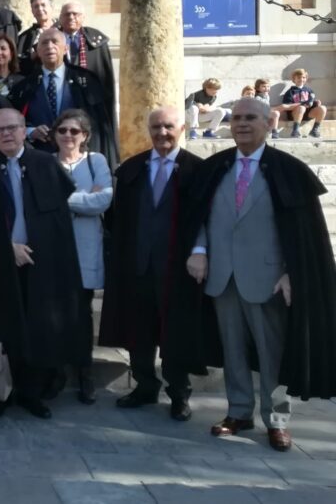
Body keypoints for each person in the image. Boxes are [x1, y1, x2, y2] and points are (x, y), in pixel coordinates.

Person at [185, 97, 336, 451]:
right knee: (232, 349)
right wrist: (199, 250)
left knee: (272, 355)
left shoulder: (288, 171)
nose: (241, 124)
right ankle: (239, 412)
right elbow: (198, 216)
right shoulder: (215, 168)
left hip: (268, 280)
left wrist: (292, 273)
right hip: (222, 277)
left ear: (269, 123)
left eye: (250, 118)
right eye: (237, 117)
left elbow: (303, 234)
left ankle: (277, 420)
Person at [0, 109, 84, 420]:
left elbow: (57, 218)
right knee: (3, 328)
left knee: (39, 327)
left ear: (23, 130)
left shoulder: (46, 164)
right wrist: (9, 248)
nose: (6, 134)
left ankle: (33, 393)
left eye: (12, 128)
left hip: (42, 262)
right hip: (0, 263)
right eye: (0, 130)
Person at [100, 106, 207, 422]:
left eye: (169, 127)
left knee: (175, 331)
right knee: (138, 330)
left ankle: (179, 393)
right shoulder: (131, 169)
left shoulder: (197, 170)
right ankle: (145, 385)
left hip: (177, 267)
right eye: (156, 127)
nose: (162, 133)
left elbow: (205, 218)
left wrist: (199, 251)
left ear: (182, 129)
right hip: (136, 264)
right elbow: (117, 218)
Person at [53, 109, 112, 405]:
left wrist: (63, 199)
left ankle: (85, 373)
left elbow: (104, 200)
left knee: (82, 315)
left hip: (87, 247)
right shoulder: (47, 163)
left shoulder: (95, 161)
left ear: (85, 136)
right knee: (55, 314)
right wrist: (85, 198)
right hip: (54, 249)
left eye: (74, 131)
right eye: (62, 130)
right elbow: (42, 201)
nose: (68, 135)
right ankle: (57, 372)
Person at [11, 29, 118, 167]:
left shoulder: (86, 81)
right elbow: (13, 123)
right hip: (39, 161)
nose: (50, 46)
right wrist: (30, 132)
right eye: (44, 43)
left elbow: (101, 129)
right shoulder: (23, 87)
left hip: (80, 160)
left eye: (55, 42)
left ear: (65, 48)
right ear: (38, 51)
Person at [58, 2, 115, 120]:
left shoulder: (96, 41)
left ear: (83, 17)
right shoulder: (51, 40)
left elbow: (105, 77)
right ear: (60, 18)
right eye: (67, 14)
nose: (71, 17)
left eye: (75, 14)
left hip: (89, 101)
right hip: (61, 96)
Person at [274, 68, 326, 138]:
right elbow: (287, 106)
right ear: (294, 79)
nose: (301, 79)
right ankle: (295, 131)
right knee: (301, 108)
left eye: (303, 77)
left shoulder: (309, 91)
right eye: (299, 77)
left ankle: (314, 130)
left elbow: (310, 102)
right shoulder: (290, 92)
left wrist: (315, 103)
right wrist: (302, 104)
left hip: (307, 114)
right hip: (295, 114)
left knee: (323, 108)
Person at [16, 0, 57, 76]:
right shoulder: (24, 37)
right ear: (32, 12)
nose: (40, 9)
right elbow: (18, 64)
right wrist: (32, 56)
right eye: (36, 6)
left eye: (43, 5)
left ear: (52, 8)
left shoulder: (63, 31)